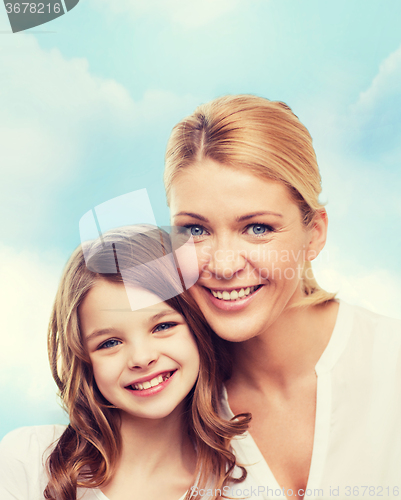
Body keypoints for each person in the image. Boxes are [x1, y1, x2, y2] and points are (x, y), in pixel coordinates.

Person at [164, 95, 401, 499]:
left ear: (315, 233)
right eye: (195, 231)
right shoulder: (162, 396)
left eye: (257, 228)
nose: (223, 265)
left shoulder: (390, 360)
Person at [0, 225, 255, 500]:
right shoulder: (29, 460)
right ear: (84, 361)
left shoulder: (241, 485)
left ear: (198, 328)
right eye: (109, 343)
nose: (142, 358)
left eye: (163, 326)